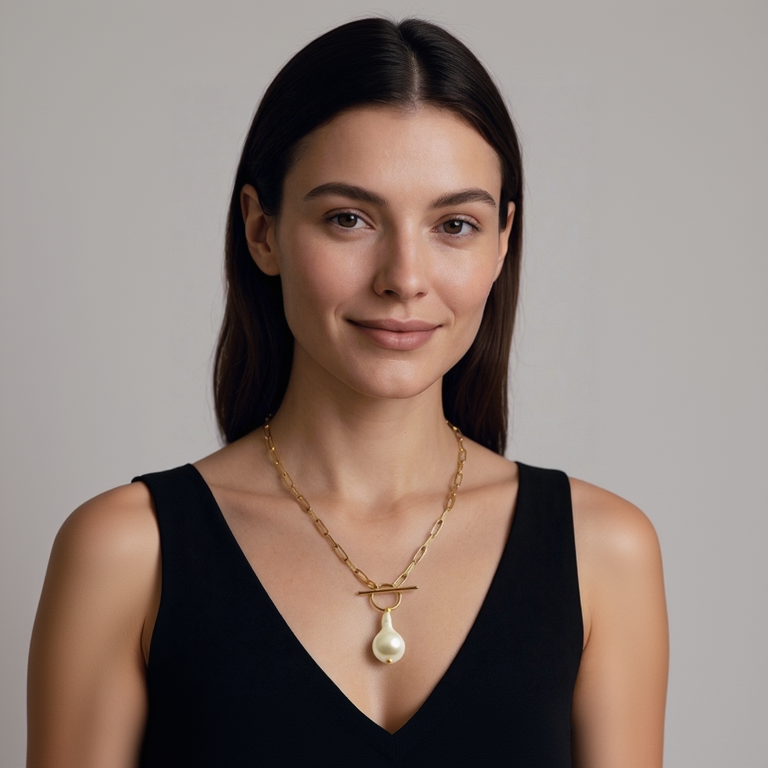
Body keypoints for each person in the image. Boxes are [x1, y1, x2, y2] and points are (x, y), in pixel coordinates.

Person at [27, 17, 668, 767]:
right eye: (349, 219)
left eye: (454, 224)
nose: (403, 275)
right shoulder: (126, 553)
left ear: (503, 243)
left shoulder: (604, 553)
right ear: (261, 230)